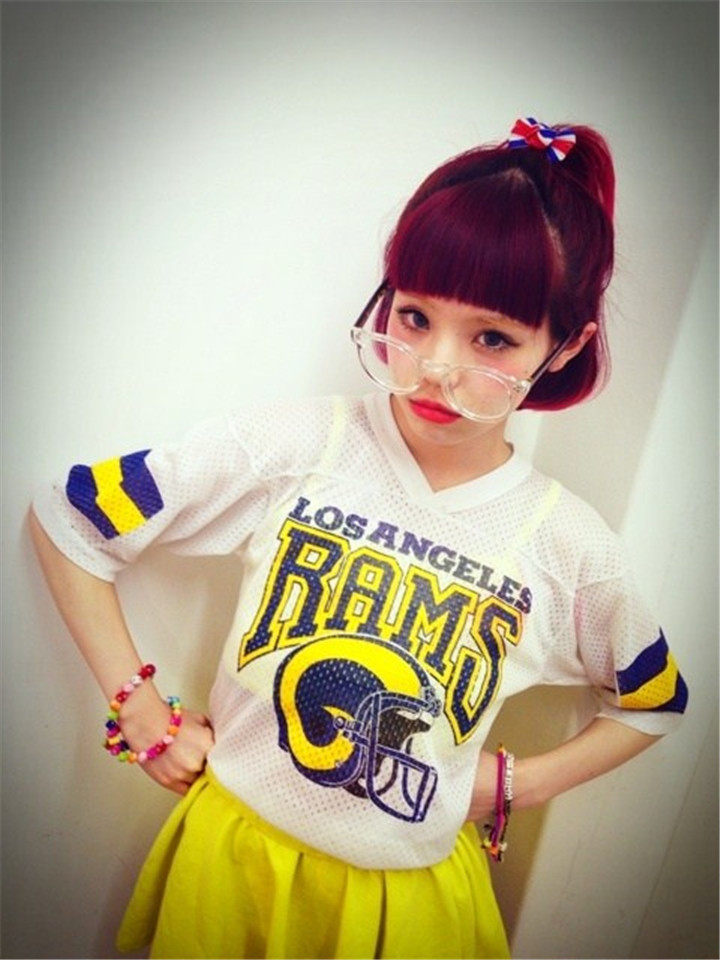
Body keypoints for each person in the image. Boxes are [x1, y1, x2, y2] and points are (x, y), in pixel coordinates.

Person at [29, 117, 688, 960]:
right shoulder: (300, 445)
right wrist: (140, 709)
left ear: (564, 348)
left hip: (409, 909)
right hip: (233, 868)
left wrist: (512, 786)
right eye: (413, 317)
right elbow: (73, 516)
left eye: (492, 337)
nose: (435, 367)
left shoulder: (568, 545)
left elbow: (654, 700)